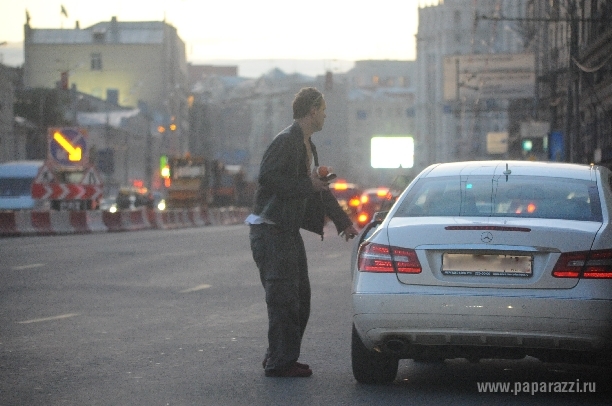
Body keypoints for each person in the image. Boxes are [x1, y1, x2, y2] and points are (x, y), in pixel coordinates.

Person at [246, 87, 358, 378]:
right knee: (283, 298)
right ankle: (280, 362)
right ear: (311, 111)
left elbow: (318, 189)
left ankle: (279, 355)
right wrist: (308, 185)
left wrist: (342, 221)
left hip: (286, 231)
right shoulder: (286, 141)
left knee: (300, 297)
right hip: (270, 230)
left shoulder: (309, 145)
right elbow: (268, 178)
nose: (325, 115)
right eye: (323, 110)